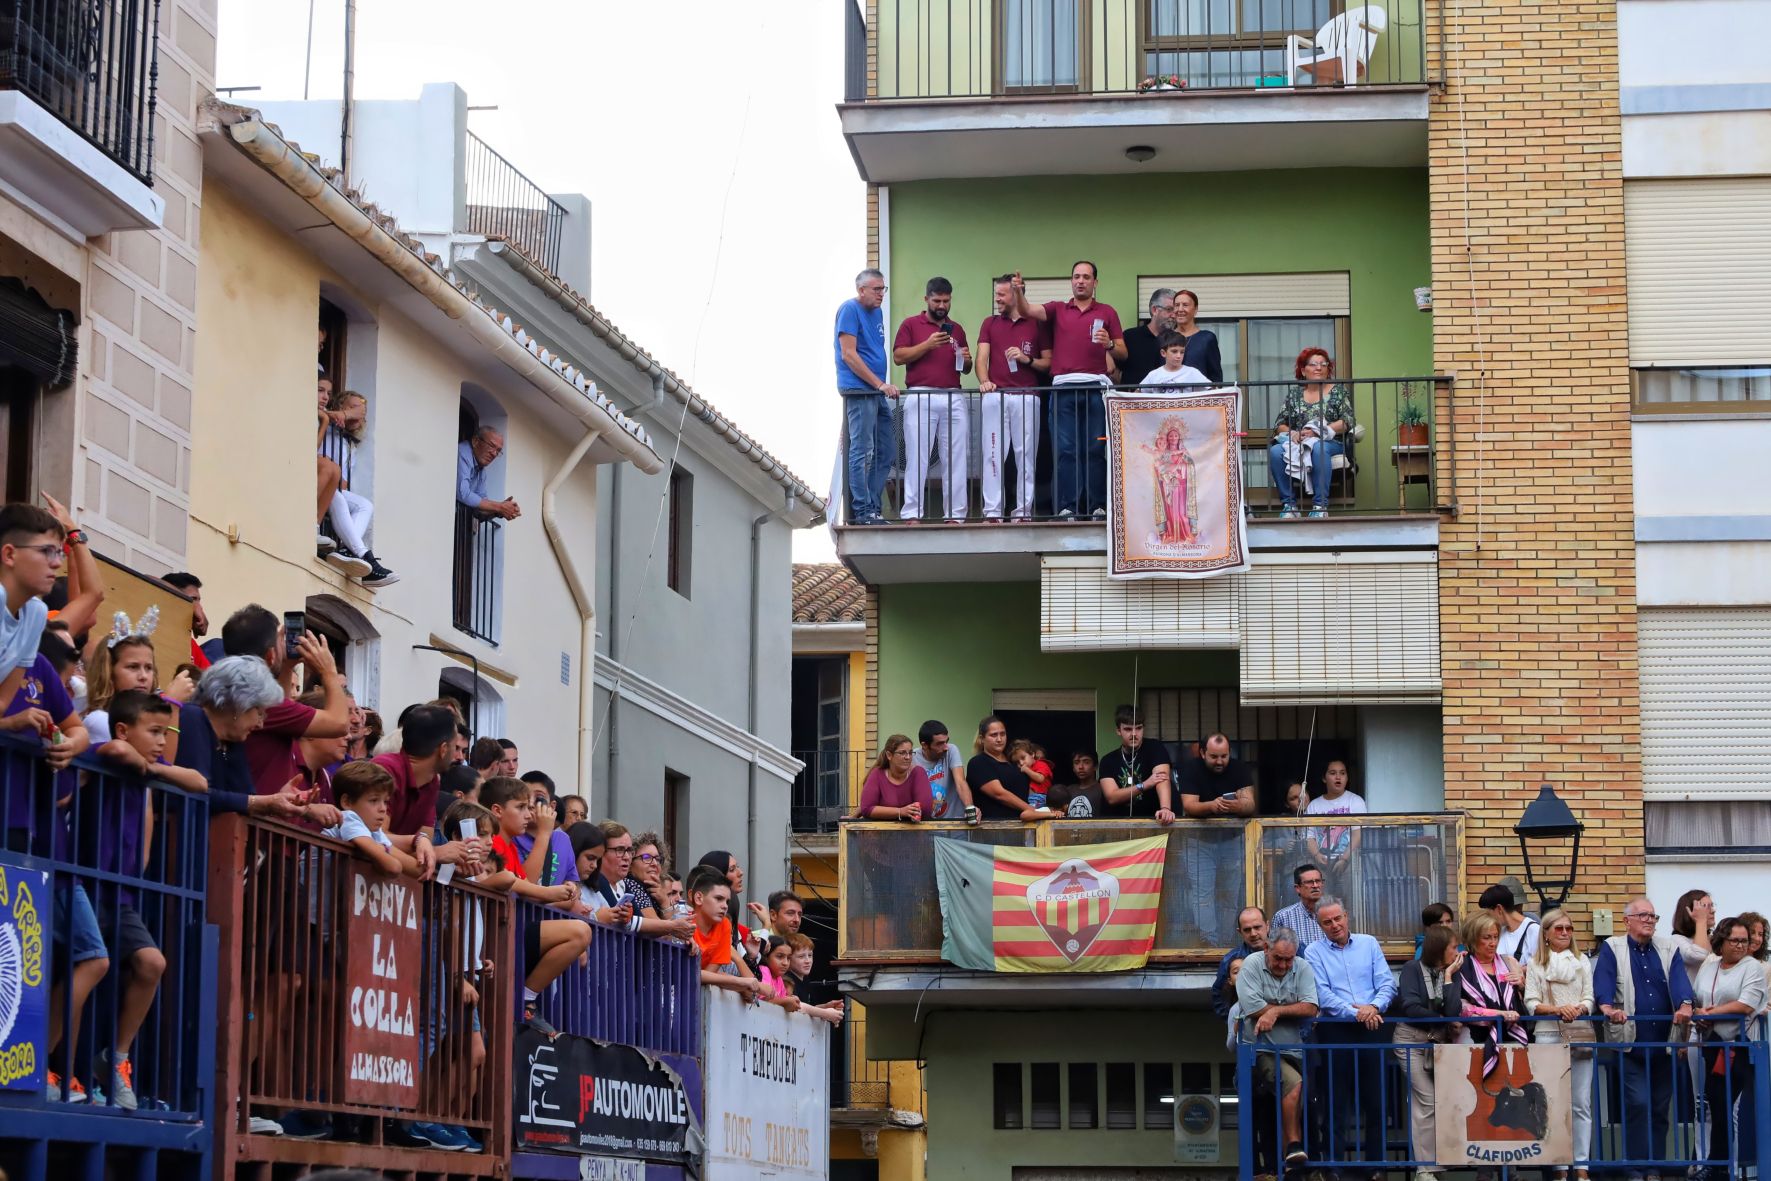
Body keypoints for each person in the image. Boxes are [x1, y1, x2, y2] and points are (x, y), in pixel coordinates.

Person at [90, 689, 202, 1109]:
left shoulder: (152, 767)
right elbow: (115, 749)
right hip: (86, 884)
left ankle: (115, 1058)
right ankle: (56, 1067)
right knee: (81, 968)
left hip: (120, 893)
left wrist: (152, 770)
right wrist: (137, 762)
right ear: (123, 727)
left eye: (165, 731)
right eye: (154, 732)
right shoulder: (108, 748)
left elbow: (199, 782)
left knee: (152, 962)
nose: (161, 741)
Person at [1009, 264, 1126, 518]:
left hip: (1095, 387)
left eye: (1086, 277)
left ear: (1095, 282)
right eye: (1076, 277)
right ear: (1071, 281)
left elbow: (1123, 353)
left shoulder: (1107, 312)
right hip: (1063, 388)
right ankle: (1067, 507)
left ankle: (1098, 506)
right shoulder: (1058, 308)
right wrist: (1018, 292)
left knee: (1096, 449)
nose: (1080, 281)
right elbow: (1027, 310)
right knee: (1065, 450)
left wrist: (1110, 344)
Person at [477, 776, 589, 1032]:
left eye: (530, 807)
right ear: (497, 811)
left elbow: (524, 882)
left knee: (580, 935)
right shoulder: (493, 842)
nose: (529, 814)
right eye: (521, 807)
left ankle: (527, 998)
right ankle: (528, 999)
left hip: (512, 928)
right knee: (580, 932)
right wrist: (545, 835)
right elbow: (523, 885)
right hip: (499, 931)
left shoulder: (510, 847)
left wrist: (560, 892)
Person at [1594, 897, 1695, 1180]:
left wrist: (1686, 1003)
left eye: (1653, 916)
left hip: (1664, 1044)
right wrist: (1606, 1007)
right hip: (1631, 1045)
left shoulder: (1668, 947)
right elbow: (1603, 980)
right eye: (1643, 915)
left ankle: (1654, 1167)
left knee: (1661, 1108)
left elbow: (1679, 981)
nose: (1649, 920)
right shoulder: (1612, 947)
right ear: (1627, 921)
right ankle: (1636, 1167)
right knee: (1638, 1103)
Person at [1302, 898, 1393, 1170]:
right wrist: (1359, 1013)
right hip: (1336, 1031)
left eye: (1338, 918)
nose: (1334, 925)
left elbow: (1387, 982)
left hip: (1373, 1026)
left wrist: (1374, 1007)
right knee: (1335, 1104)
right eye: (1327, 922)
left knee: (1376, 1103)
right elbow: (1322, 994)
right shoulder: (1313, 952)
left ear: (1347, 915)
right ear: (1319, 925)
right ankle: (1334, 1169)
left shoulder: (1369, 943)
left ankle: (1376, 1168)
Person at [1690, 916, 1767, 1180]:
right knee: (1712, 1104)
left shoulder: (1751, 968)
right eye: (1735, 940)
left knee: (1727, 1106)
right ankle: (1716, 1164)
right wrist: (1699, 1012)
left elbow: (1746, 1004)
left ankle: (1724, 1166)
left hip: (1739, 1046)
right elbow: (1696, 996)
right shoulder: (1709, 967)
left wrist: (1709, 1013)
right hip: (1710, 1043)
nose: (1741, 946)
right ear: (1720, 942)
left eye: (1744, 941)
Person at [1235, 927, 1317, 1173]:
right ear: (1266, 949)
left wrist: (1276, 1011)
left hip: (1296, 1049)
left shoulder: (1302, 966)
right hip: (1260, 1049)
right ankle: (1293, 1146)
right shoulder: (1250, 964)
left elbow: (1311, 1007)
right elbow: (1251, 1007)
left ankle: (1292, 1164)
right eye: (1278, 958)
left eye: (1288, 959)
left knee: (1301, 1100)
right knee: (1293, 1084)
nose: (1283, 965)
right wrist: (1289, 1008)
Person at [893, 277, 973, 523]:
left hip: (953, 395)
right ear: (926, 299)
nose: (941, 305)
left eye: (946, 301)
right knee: (918, 455)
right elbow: (898, 356)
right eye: (937, 300)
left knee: (956, 456)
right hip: (920, 393)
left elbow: (966, 368)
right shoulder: (910, 324)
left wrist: (966, 358)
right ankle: (912, 513)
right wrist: (927, 345)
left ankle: (955, 515)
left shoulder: (957, 329)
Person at [1525, 908, 1596, 1181]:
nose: (1565, 933)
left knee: (1580, 1102)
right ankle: (1558, 1167)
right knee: (1552, 1103)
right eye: (1559, 928)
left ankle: (1582, 1166)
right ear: (1546, 933)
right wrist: (1556, 1009)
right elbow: (1531, 1002)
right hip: (1547, 1035)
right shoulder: (1535, 964)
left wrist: (1576, 1008)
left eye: (1569, 928)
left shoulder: (1582, 962)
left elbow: (1589, 997)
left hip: (1578, 1031)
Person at [1390, 924, 1464, 1175]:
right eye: (1453, 947)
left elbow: (1453, 1011)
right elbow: (1410, 1006)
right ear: (1439, 948)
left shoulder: (1452, 971)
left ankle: (1438, 1162)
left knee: (1440, 1101)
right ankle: (1425, 1169)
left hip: (1438, 1042)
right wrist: (1439, 1017)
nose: (1457, 952)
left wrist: (1450, 977)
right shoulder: (1412, 968)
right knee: (1427, 1100)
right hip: (1411, 1040)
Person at [975, 274, 1049, 521]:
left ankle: (1023, 512)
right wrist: (984, 381)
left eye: (1002, 294)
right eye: (997, 293)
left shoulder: (1037, 324)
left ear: (1017, 294)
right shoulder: (990, 322)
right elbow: (980, 359)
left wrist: (1025, 359)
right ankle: (993, 511)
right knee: (993, 454)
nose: (997, 298)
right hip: (997, 396)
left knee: (1026, 456)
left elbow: (1048, 363)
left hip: (1028, 396)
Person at [1175, 733, 1254, 943]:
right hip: (1199, 842)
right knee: (1202, 896)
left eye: (1224, 756)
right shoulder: (1191, 769)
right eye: (1214, 756)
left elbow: (1250, 804)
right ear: (1203, 753)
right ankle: (1209, 943)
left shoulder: (1239, 768)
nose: (1220, 761)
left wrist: (1238, 806)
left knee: (1230, 895)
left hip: (1232, 841)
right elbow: (1189, 805)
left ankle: (1227, 943)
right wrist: (1212, 806)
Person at [318, 388, 398, 586]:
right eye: (354, 408)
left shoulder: (349, 444)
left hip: (334, 488)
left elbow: (343, 482)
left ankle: (347, 549)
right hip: (320, 483)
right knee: (336, 497)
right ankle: (363, 554)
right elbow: (322, 413)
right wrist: (346, 415)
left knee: (365, 505)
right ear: (340, 408)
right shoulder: (327, 426)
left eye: (363, 412)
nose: (361, 414)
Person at [835, 268, 897, 524]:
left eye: (883, 289)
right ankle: (862, 511)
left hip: (874, 390)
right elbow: (848, 354)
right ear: (861, 290)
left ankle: (872, 506)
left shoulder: (877, 312)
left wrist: (879, 386)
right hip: (860, 391)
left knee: (887, 449)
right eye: (876, 289)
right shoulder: (849, 309)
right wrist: (880, 383)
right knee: (863, 451)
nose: (881, 293)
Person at [1268, 347, 1356, 519]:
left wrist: (1319, 432)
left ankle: (1320, 505)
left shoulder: (1338, 391)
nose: (1319, 368)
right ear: (1303, 370)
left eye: (1324, 364)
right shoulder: (1294, 395)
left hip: (1331, 442)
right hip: (1299, 441)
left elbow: (1347, 421)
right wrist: (1294, 432)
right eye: (1314, 364)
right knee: (1276, 451)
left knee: (1318, 448)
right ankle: (1289, 506)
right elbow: (1280, 425)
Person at [83, 611, 195, 745]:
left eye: (148, 668)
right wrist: (172, 704)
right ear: (109, 670)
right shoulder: (100, 720)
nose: (143, 677)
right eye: (133, 667)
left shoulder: (143, 721)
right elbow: (157, 763)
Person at [686, 865, 766, 1001]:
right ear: (698, 898)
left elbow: (708, 975)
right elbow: (688, 974)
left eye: (727, 901)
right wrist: (739, 983)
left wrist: (739, 984)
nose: (725, 906)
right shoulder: (682, 922)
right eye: (718, 898)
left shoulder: (724, 925)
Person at [1096, 705, 1176, 823]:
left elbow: (1162, 778)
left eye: (1138, 728)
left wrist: (1165, 808)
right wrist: (1144, 785)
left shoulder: (1155, 748)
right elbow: (1112, 797)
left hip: (1153, 822)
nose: (1134, 734)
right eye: (1128, 729)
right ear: (1118, 731)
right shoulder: (1108, 760)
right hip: (1119, 825)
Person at [966, 715, 1054, 821]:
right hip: (993, 829)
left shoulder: (1014, 762)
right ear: (982, 739)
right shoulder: (978, 763)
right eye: (993, 735)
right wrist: (1032, 811)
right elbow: (999, 794)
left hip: (1024, 828)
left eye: (1002, 734)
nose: (999, 739)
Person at [1305, 761, 1367, 904]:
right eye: (1333, 773)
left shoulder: (1355, 801)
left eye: (1342, 773)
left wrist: (1345, 859)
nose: (1338, 777)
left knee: (1349, 901)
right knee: (1321, 901)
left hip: (1349, 860)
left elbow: (1358, 835)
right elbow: (1309, 837)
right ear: (1324, 778)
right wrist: (1316, 855)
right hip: (1321, 861)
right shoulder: (1314, 805)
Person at [857, 734, 934, 821]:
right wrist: (900, 811)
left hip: (913, 833)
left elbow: (925, 810)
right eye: (902, 753)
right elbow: (867, 809)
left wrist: (890, 812)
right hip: (882, 833)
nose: (908, 757)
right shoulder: (877, 774)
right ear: (889, 755)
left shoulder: (918, 773)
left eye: (910, 753)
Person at [913, 720, 975, 821]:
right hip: (926, 826)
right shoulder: (912, 758)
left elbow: (960, 782)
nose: (946, 747)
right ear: (924, 745)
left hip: (955, 823)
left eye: (946, 741)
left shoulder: (951, 750)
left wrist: (970, 808)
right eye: (940, 743)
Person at [1212, 907, 1268, 1019]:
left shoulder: (1288, 950)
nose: (1253, 933)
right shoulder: (1231, 960)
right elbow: (1219, 995)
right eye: (1247, 930)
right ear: (1239, 931)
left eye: (1257, 927)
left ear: (1267, 925)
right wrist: (1233, 1020)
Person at [457, 426, 521, 521]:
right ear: (475, 441)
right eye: (491, 446)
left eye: (498, 451)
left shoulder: (481, 470)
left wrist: (500, 510)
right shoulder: (463, 452)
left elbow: (481, 507)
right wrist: (499, 507)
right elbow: (463, 493)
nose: (494, 454)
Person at [1121, 288, 1177, 385]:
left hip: (1167, 398)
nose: (1173, 315)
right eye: (1169, 309)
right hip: (1134, 398)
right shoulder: (1130, 337)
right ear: (1154, 310)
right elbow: (1116, 372)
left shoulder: (1177, 340)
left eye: (1175, 311)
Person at [1478, 881, 1541, 964]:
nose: (1487, 917)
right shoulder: (1498, 932)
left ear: (1499, 909)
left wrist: (1521, 970)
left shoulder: (1534, 931)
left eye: (1488, 913)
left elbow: (1543, 965)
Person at [1170, 289, 1223, 384]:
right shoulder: (1164, 338)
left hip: (1199, 396)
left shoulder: (1207, 338)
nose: (1180, 309)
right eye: (1177, 305)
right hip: (1170, 396)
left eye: (1185, 305)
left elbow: (1216, 377)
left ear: (1195, 309)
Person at [1271, 865, 1328, 948]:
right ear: (1297, 888)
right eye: (1309, 882)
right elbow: (1274, 951)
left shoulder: (1332, 914)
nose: (1315, 885)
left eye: (1318, 881)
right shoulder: (1283, 917)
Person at [1670, 888, 1715, 988]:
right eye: (1705, 907)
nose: (1713, 910)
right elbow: (1699, 955)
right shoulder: (1676, 940)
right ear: (1689, 911)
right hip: (1691, 1002)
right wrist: (1700, 920)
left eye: (1712, 906)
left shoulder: (1714, 939)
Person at [1045, 750, 1109, 817]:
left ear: (1095, 766)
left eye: (1086, 762)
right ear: (1073, 767)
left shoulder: (1103, 789)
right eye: (1076, 763)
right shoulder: (1068, 790)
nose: (1081, 767)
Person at [1136, 332, 1212, 388]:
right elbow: (1137, 395)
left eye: (1182, 352)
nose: (1179, 356)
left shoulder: (1192, 372)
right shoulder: (1153, 375)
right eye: (1174, 351)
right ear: (1163, 353)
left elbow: (1213, 391)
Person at [1009, 740, 1053, 811]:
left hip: (1040, 799)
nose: (1021, 763)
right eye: (1017, 762)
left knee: (1027, 815)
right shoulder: (1029, 768)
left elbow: (1040, 778)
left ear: (1032, 754)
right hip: (1033, 799)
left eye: (1023, 758)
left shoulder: (1041, 764)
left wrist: (1027, 770)